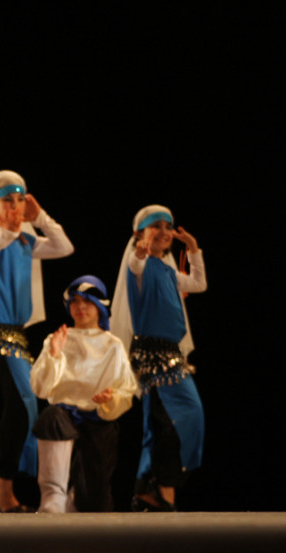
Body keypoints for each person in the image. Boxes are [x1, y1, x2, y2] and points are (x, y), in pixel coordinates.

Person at [0, 170, 74, 512]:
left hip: (17, 338)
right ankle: (2, 486)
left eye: (20, 200)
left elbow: (64, 246)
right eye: (7, 200)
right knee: (17, 407)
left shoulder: (26, 242)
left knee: (10, 411)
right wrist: (11, 227)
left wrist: (39, 217)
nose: (15, 207)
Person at [110, 205, 207, 511]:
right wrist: (140, 252)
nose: (165, 232)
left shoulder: (167, 270)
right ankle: (161, 492)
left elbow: (199, 284)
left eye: (168, 226)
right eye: (156, 226)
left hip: (173, 356)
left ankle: (148, 490)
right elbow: (137, 263)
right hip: (152, 357)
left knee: (171, 422)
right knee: (172, 421)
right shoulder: (136, 264)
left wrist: (193, 250)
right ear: (140, 233)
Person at [30, 276, 137, 512]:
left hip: (97, 421)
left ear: (99, 307)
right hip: (64, 416)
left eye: (86, 302)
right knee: (52, 417)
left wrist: (111, 399)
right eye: (75, 302)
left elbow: (126, 390)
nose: (80, 307)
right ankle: (53, 497)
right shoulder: (58, 339)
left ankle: (77, 500)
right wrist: (54, 355)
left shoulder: (112, 345)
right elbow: (40, 388)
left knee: (94, 504)